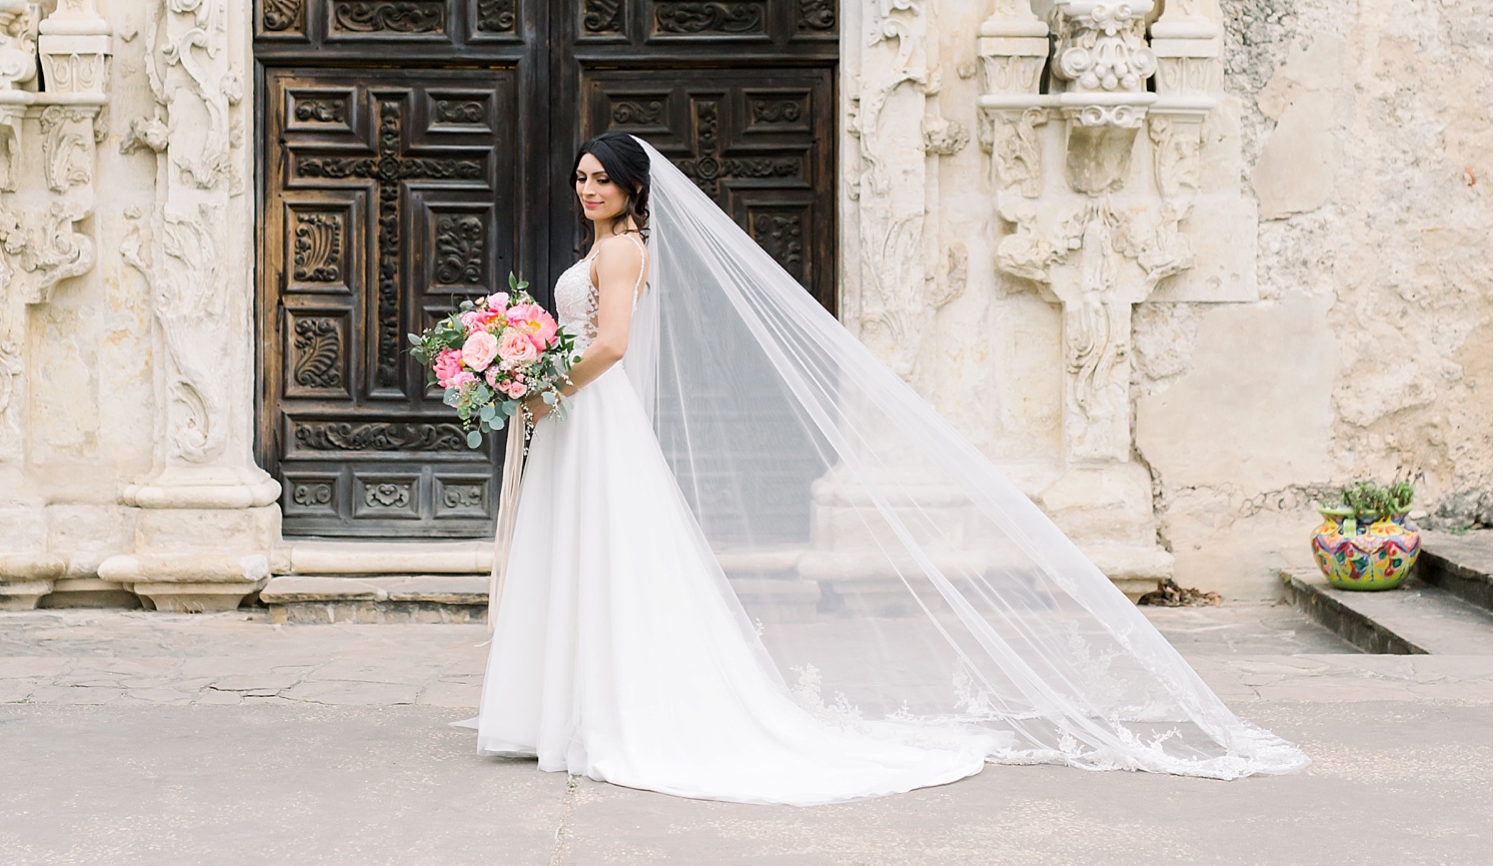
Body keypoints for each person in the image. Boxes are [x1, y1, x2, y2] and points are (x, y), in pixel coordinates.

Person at [474, 133, 1304, 804]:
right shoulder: (603, 250)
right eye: (580, 178)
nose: (587, 189)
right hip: (580, 413)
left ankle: (597, 708)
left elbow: (612, 345)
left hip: (588, 409)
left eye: (601, 179)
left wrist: (538, 389)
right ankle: (573, 704)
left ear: (631, 188)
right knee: (587, 555)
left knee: (600, 553)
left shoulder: (621, 253)